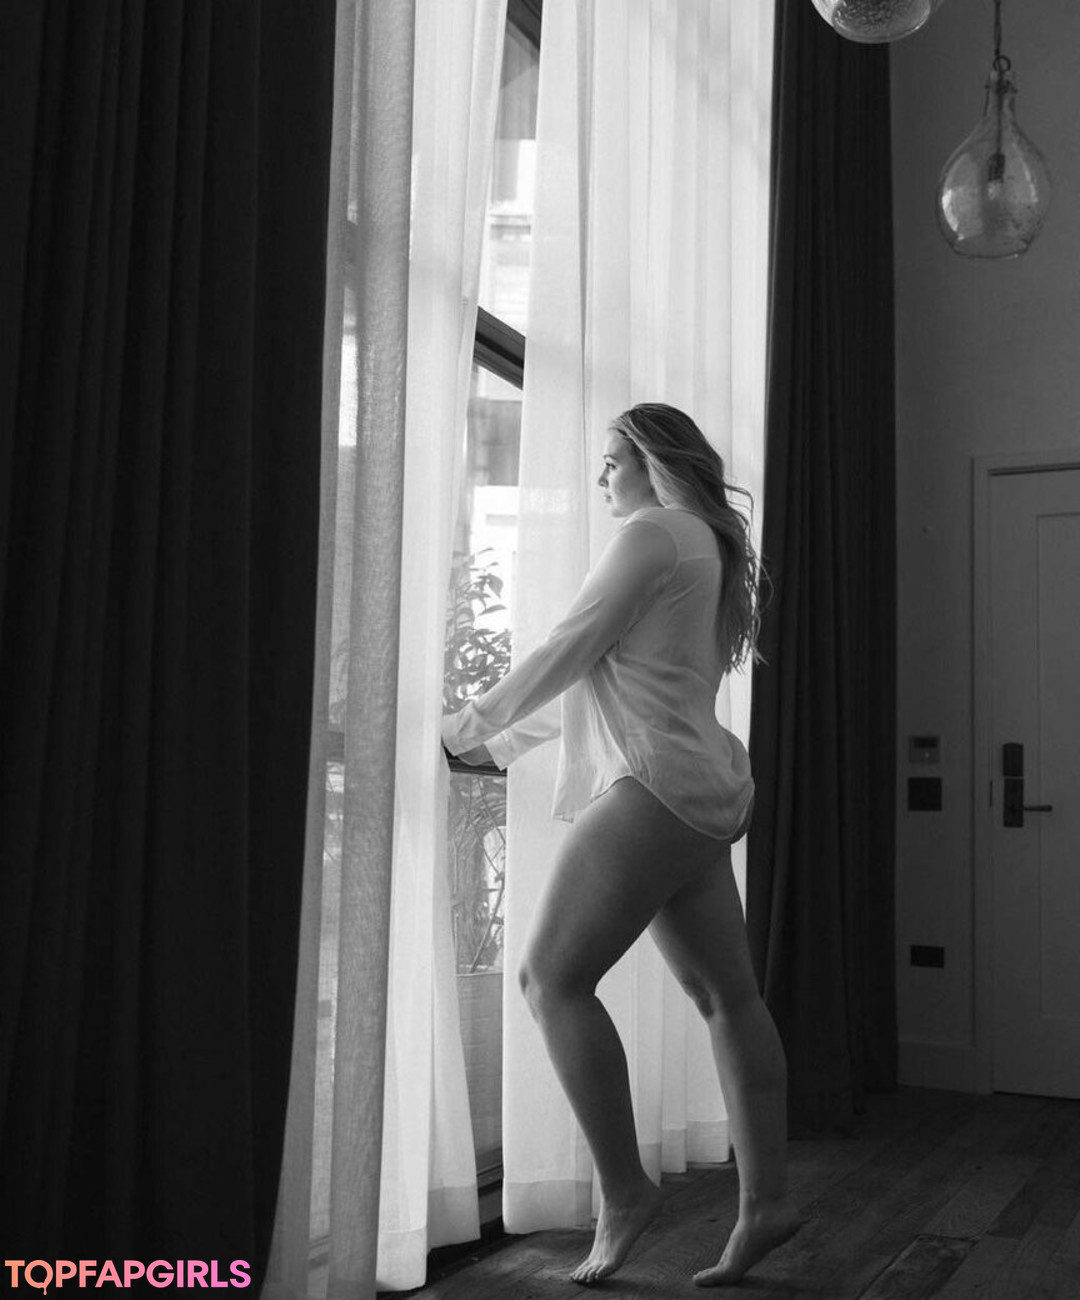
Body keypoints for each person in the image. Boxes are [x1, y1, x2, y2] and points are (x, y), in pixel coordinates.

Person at [442, 403, 800, 1287]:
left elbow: (568, 648)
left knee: (550, 980)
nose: (602, 475)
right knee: (730, 999)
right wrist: (495, 747)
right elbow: (603, 675)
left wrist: (464, 729)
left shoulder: (652, 533)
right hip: (703, 787)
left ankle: (625, 1190)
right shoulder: (703, 545)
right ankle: (768, 1204)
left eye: (614, 460)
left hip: (656, 787)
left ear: (653, 462)